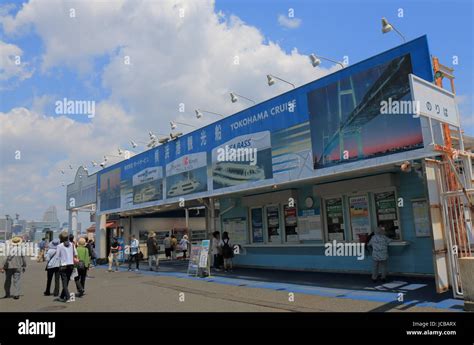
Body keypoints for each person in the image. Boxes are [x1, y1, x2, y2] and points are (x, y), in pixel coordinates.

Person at [56, 231, 78, 303]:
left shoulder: (59, 246)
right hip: (71, 265)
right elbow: (75, 254)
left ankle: (68, 297)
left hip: (63, 265)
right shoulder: (72, 244)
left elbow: (57, 256)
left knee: (64, 283)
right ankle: (62, 296)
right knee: (67, 281)